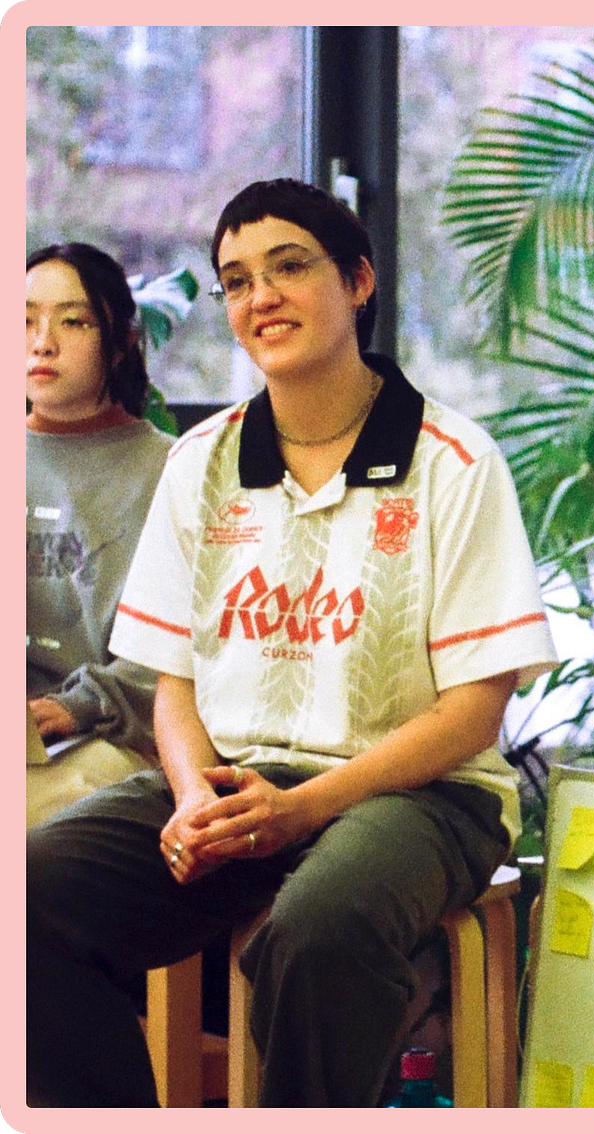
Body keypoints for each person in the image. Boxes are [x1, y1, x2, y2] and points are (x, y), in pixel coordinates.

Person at [27, 178, 558, 1107]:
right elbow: (173, 680)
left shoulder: (455, 462)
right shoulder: (202, 462)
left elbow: (476, 709)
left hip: (421, 793)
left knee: (321, 922)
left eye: (288, 267)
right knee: (29, 889)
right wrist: (191, 794)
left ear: (358, 281)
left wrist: (307, 808)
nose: (260, 296)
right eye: (236, 280)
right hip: (237, 781)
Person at [26, 242, 173, 827]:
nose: (43, 341)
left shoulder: (172, 469)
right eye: (25, 319)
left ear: (120, 343)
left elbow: (184, 649)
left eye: (73, 321)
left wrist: (77, 705)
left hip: (113, 739)